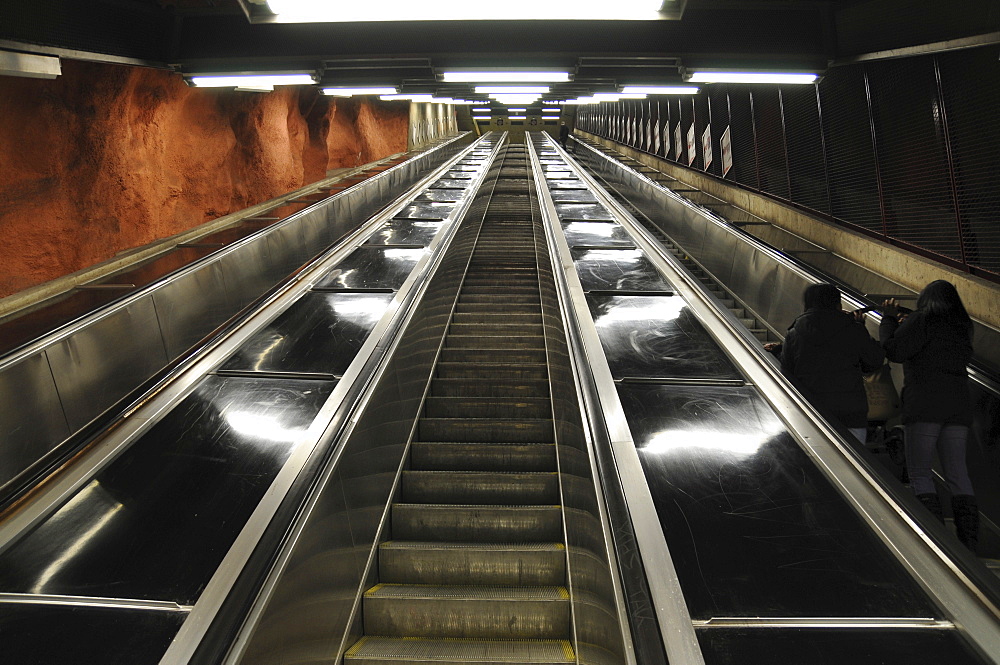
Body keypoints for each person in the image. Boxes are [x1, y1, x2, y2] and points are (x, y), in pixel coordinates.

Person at [880, 281, 977, 551]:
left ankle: (939, 542)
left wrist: (889, 320)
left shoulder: (922, 319)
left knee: (920, 471)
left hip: (925, 403)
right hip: (958, 404)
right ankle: (968, 544)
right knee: (958, 473)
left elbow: (895, 350)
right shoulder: (962, 325)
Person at [768, 283, 884, 443]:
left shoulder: (795, 333)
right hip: (851, 413)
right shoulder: (854, 330)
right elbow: (874, 361)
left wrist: (778, 351)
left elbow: (788, 371)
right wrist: (860, 330)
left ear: (807, 304)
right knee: (855, 464)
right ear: (838, 304)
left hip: (812, 413)